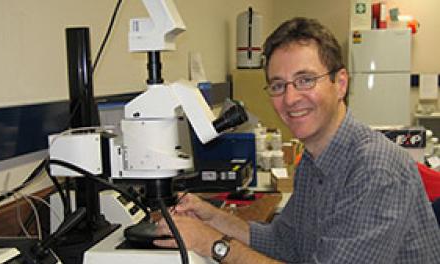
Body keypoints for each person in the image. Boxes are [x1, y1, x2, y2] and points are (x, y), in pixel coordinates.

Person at [154, 17, 440, 263]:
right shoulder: (313, 160)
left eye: (305, 80)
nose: (290, 99)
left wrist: (214, 245)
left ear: (340, 83)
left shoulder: (375, 170)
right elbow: (285, 240)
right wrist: (213, 219)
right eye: (278, 85)